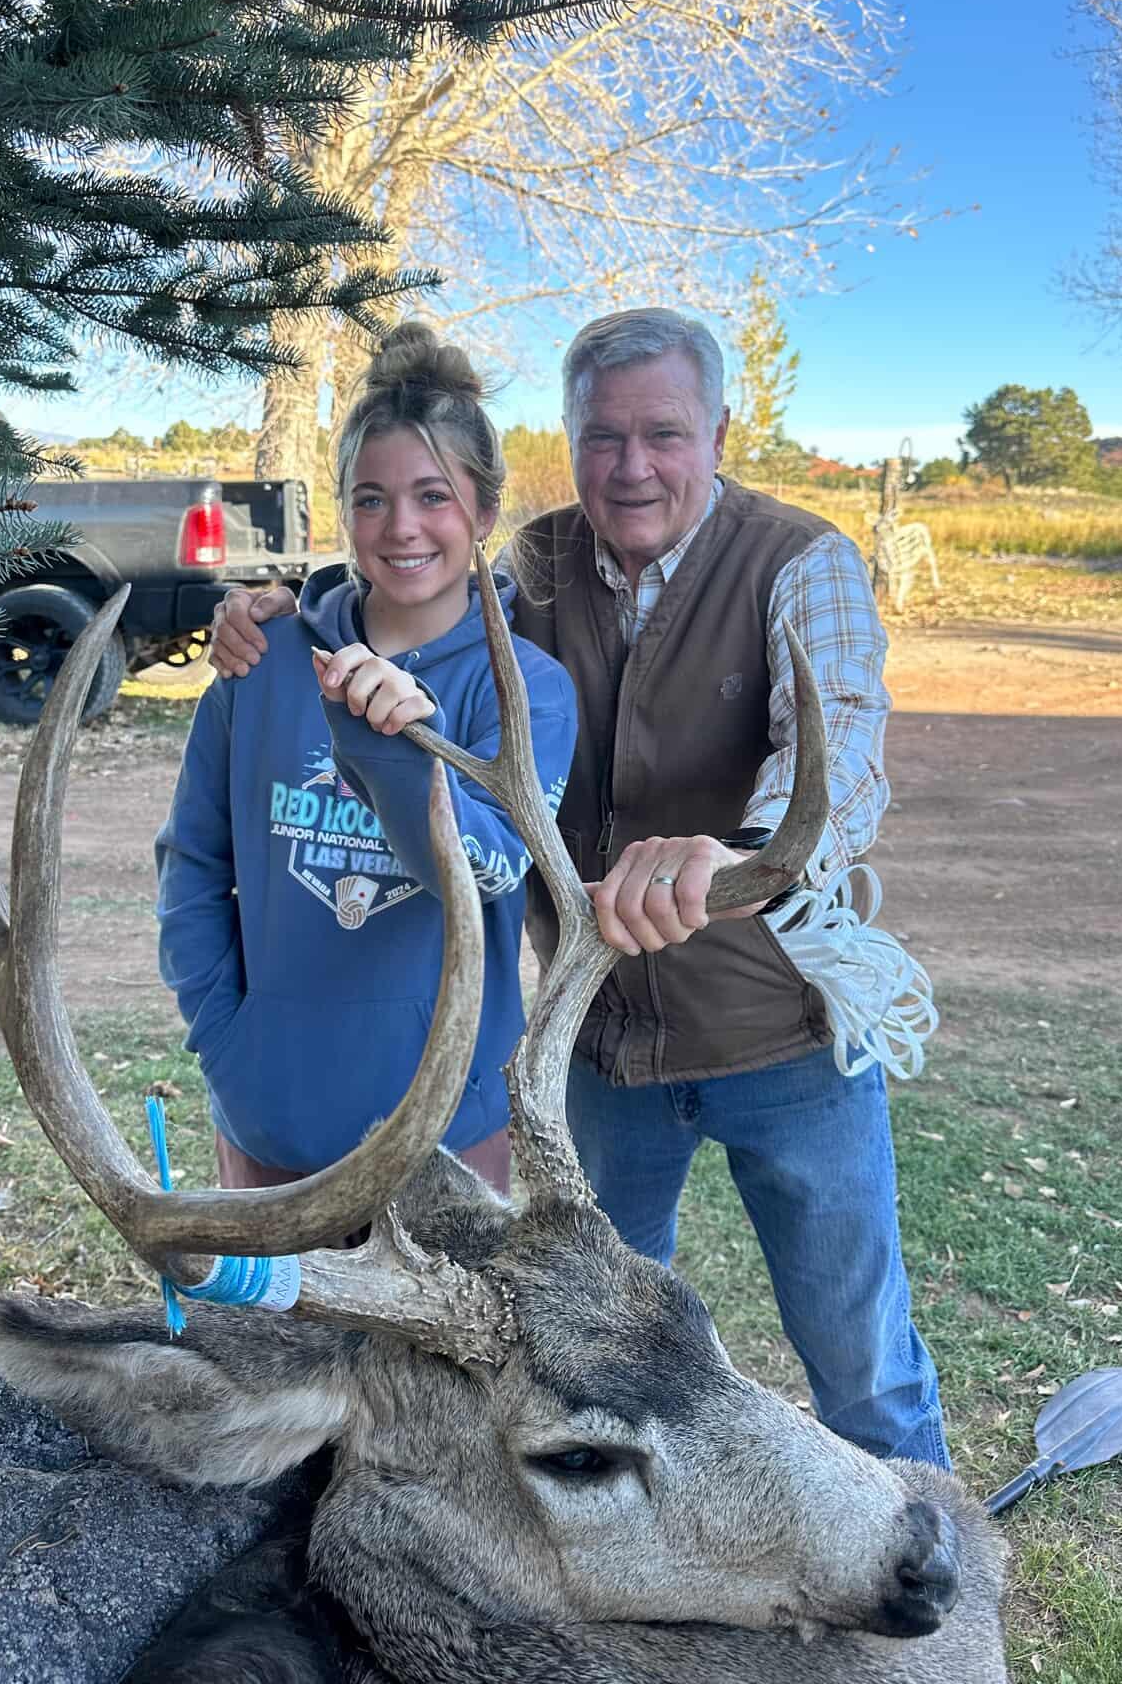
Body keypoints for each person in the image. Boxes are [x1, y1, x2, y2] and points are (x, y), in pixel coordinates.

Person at [209, 307, 947, 1470]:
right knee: (591, 1356)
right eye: (603, 437)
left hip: (783, 1035)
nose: (632, 466)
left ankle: (935, 1564)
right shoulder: (537, 565)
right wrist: (280, 610)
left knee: (861, 1362)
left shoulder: (804, 563)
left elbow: (841, 754)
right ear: (570, 440)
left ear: (719, 432)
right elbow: (411, 563)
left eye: (664, 434)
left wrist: (737, 855)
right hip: (598, 1053)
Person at [156, 323, 577, 1198]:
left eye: (434, 496)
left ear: (484, 514)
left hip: (449, 1139)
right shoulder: (261, 660)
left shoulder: (529, 691)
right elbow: (193, 859)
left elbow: (492, 872)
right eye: (372, 499)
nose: (402, 527)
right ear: (345, 513)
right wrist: (222, 1034)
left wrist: (392, 754)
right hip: (269, 1116)